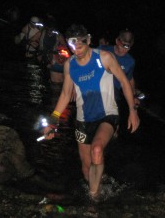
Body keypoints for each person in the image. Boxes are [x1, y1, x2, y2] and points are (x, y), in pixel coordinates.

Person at [42, 24, 140, 202]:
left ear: (88, 41)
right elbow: (65, 94)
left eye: (80, 46)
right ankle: (98, 189)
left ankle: (93, 203)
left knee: (96, 150)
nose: (76, 51)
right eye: (72, 47)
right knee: (86, 169)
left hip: (107, 114)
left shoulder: (104, 57)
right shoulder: (70, 65)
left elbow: (125, 83)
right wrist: (53, 120)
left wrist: (133, 111)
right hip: (83, 119)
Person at [99, 29, 139, 105]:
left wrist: (134, 96)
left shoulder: (130, 61)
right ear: (117, 41)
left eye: (128, 47)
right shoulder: (104, 50)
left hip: (113, 92)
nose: (125, 49)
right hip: (97, 86)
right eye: (123, 45)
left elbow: (130, 79)